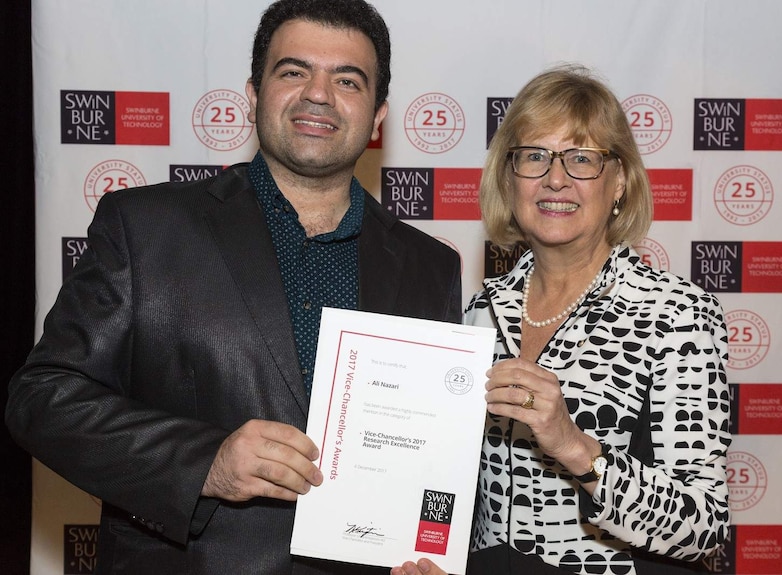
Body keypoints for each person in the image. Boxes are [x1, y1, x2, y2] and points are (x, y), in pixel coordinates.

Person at [6, 1, 461, 573]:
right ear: (252, 95)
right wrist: (207, 462)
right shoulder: (146, 227)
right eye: (294, 71)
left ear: (377, 118)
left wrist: (426, 551)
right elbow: (43, 398)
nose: (318, 94)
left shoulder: (431, 266)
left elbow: (432, 460)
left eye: (347, 80)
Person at [394, 65, 730, 575]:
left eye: (581, 159)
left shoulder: (676, 315)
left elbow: (702, 525)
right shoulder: (480, 312)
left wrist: (573, 445)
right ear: (510, 179)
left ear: (619, 181)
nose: (555, 178)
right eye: (535, 156)